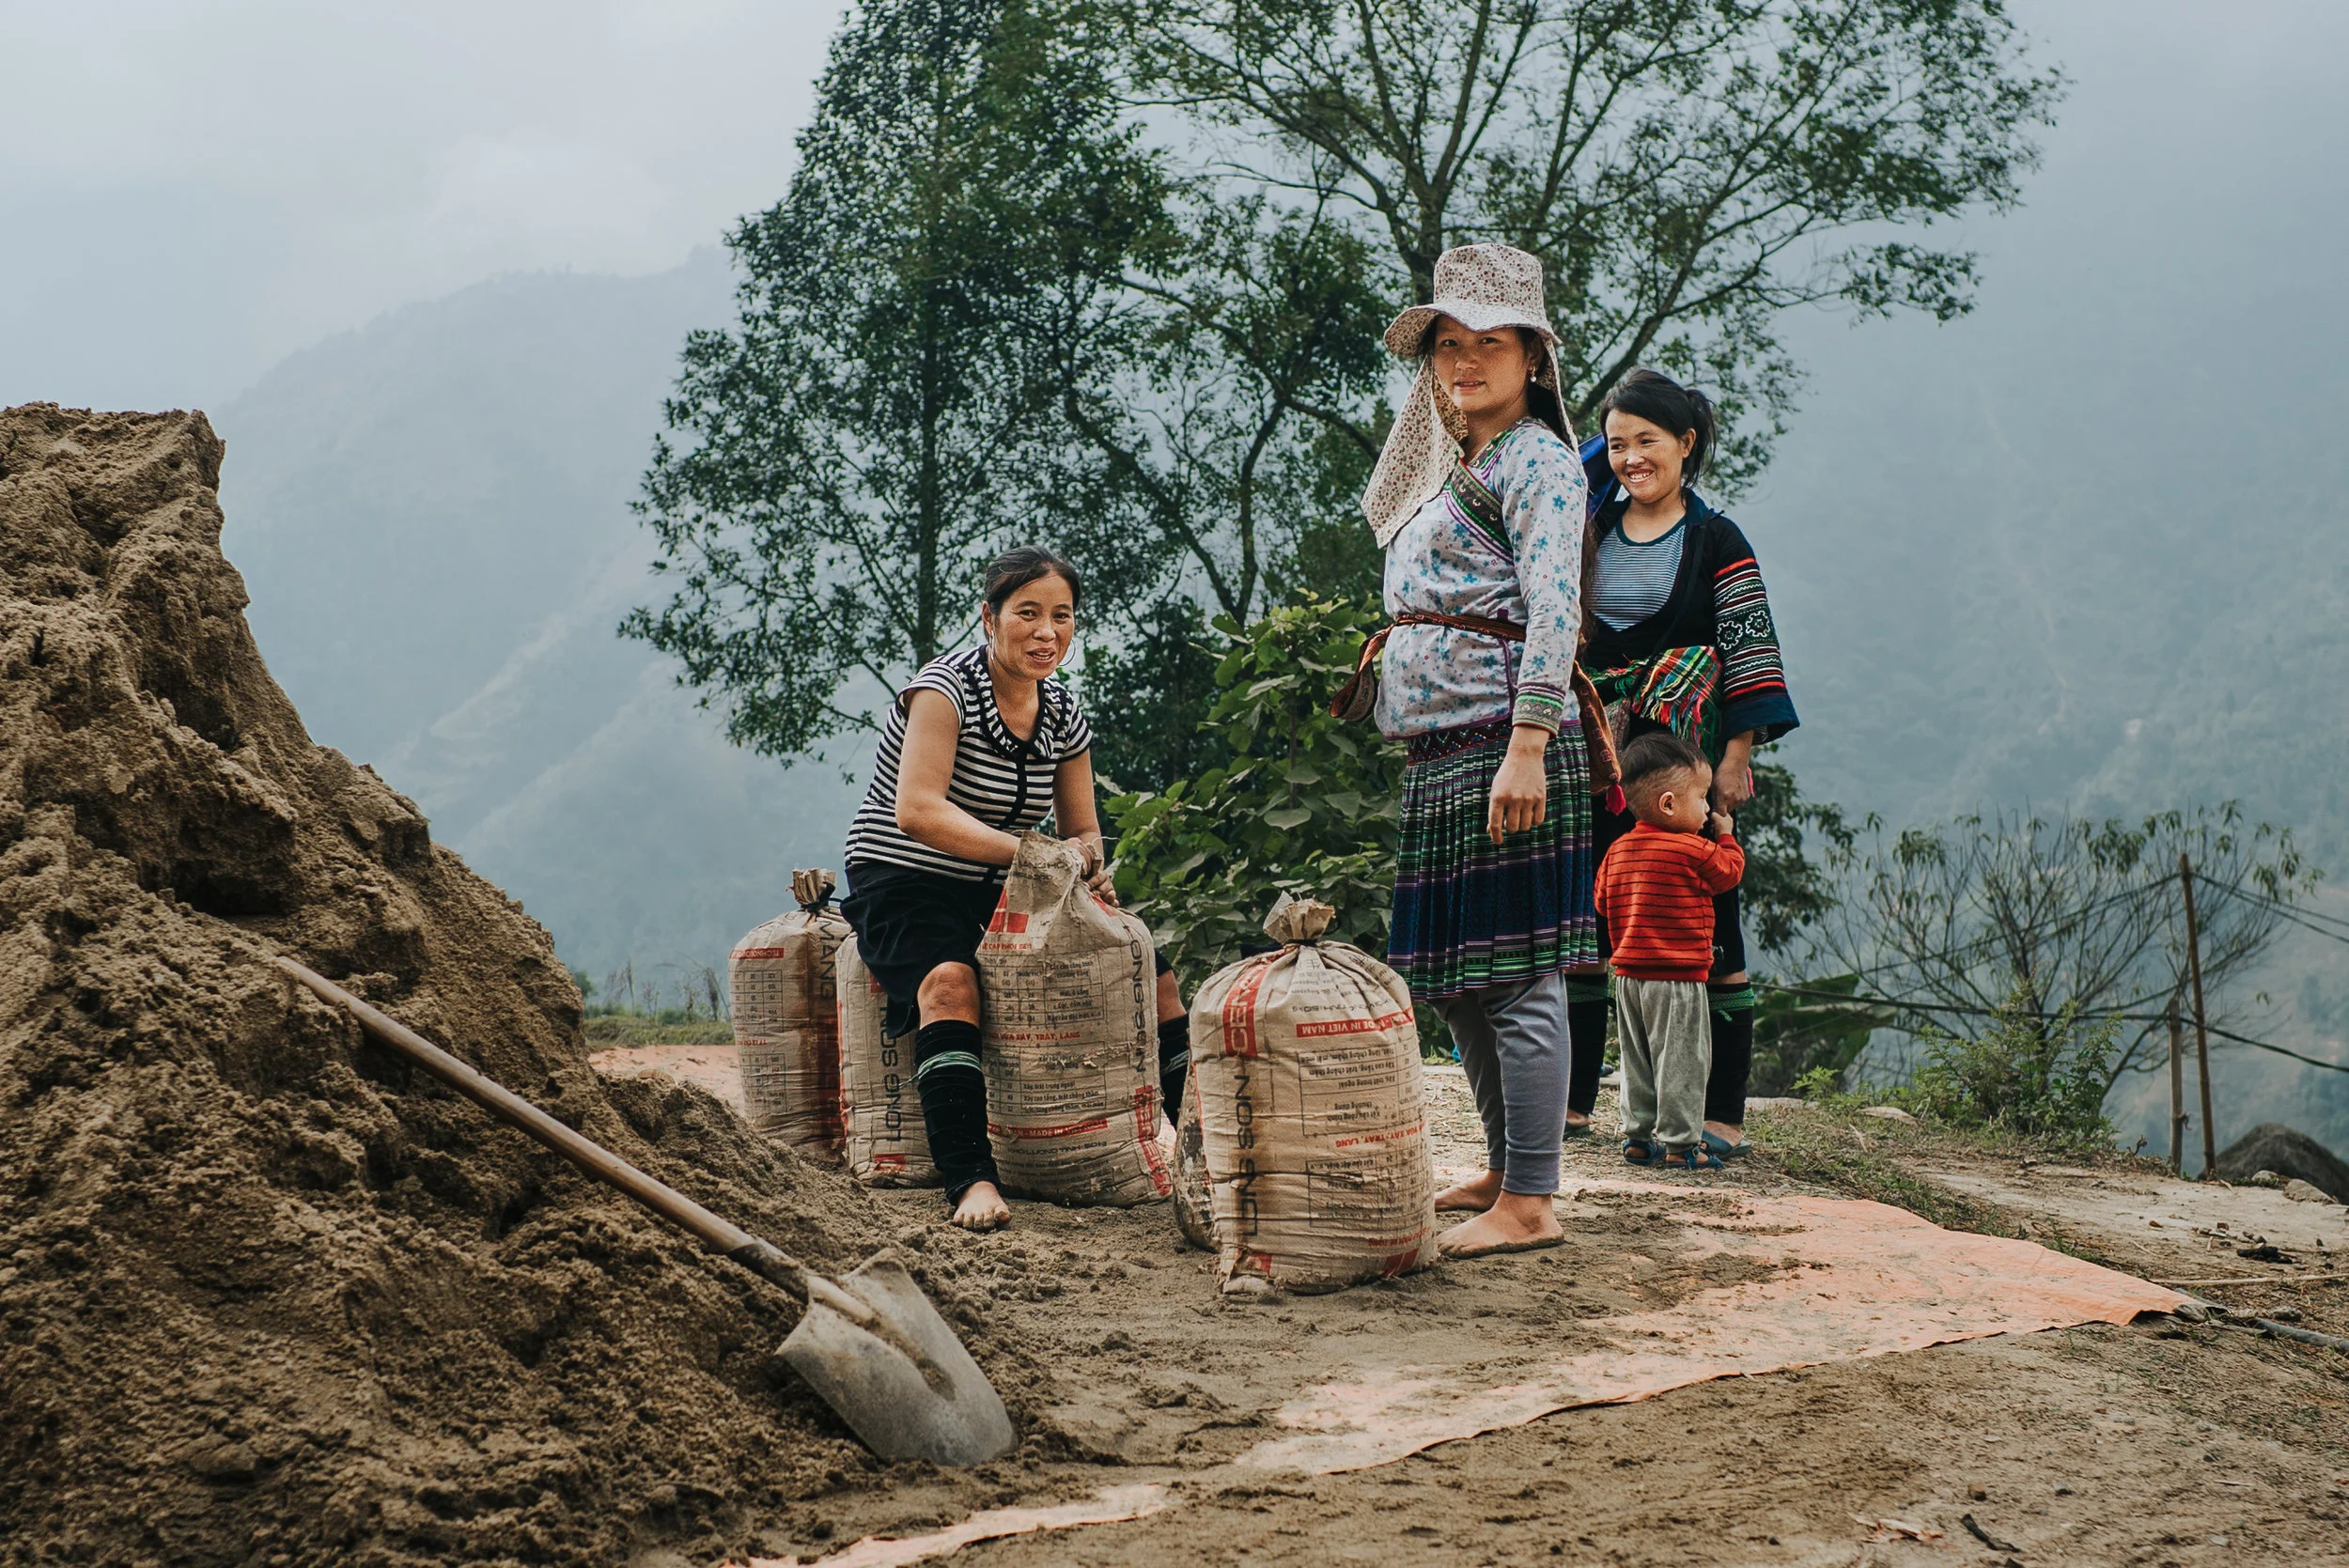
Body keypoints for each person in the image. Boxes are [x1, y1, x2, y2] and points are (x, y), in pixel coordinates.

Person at [1357, 242, 1597, 1258]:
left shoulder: (1537, 460)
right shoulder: (1467, 465)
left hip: (1508, 742)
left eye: (1486, 343)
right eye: (1448, 345)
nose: (1463, 361)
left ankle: (1532, 1200)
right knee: (1458, 976)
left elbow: (1555, 605)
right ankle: (1504, 1163)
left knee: (1517, 974)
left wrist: (1530, 741)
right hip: (1446, 748)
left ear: (1533, 356)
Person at [839, 547, 1190, 1232]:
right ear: (988, 617)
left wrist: (1087, 867)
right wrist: (1039, 855)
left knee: (1155, 973)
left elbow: (1085, 829)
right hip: (903, 878)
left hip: (1006, 884)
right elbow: (918, 809)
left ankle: (1214, 1150)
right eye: (1026, 613)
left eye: (1062, 616)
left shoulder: (1062, 714)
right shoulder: (944, 689)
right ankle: (971, 1179)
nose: (1045, 632)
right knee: (950, 981)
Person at [1563, 369, 1798, 1159]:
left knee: (1711, 927)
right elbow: (1580, 465)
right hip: (1600, 754)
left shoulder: (1717, 540)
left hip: (1684, 766)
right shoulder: (1589, 523)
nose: (1631, 458)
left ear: (1687, 444)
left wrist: (1737, 756)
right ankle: (1574, 1107)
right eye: (1619, 443)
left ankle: (1721, 1113)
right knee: (1593, 922)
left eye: (1649, 441)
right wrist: (1605, 449)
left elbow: (1750, 649)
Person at [1595, 732, 1746, 1171]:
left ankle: (1638, 1139)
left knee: (1637, 1059)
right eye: (1701, 798)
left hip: (1626, 979)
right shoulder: (1696, 850)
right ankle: (1681, 1144)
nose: (1705, 809)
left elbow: (1602, 902)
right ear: (1668, 805)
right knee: (1681, 1060)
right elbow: (1730, 874)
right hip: (1678, 979)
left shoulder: (1617, 850)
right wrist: (1726, 835)